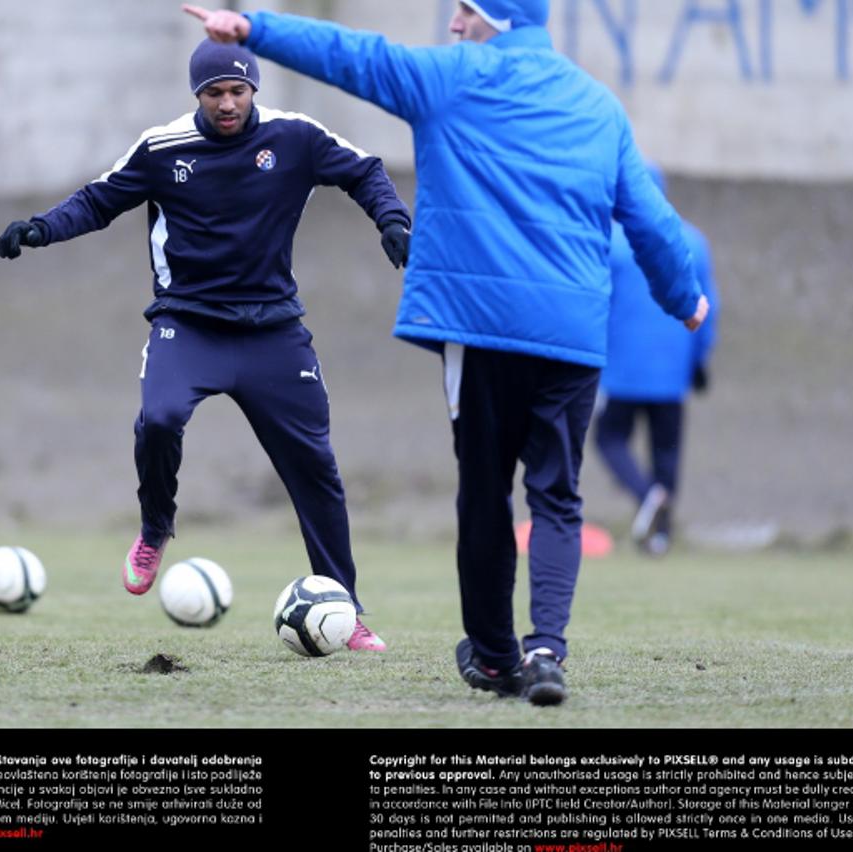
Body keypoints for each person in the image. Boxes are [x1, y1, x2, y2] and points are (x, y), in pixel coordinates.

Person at [186, 1, 709, 703]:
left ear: (495, 16)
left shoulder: (450, 78)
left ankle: (496, 659)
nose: (455, 22)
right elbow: (648, 216)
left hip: (482, 326)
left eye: (466, 8)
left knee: (487, 490)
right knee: (556, 494)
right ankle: (547, 648)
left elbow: (353, 57)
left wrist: (253, 30)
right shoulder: (598, 104)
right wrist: (685, 297)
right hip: (573, 333)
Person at [0, 39, 413, 652]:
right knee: (160, 419)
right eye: (214, 93)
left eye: (237, 91)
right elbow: (97, 200)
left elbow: (364, 170)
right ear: (197, 95)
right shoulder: (164, 148)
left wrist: (393, 220)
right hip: (188, 325)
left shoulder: (294, 136)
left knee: (315, 468)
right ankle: (155, 528)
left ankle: (346, 611)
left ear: (254, 89)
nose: (227, 103)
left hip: (273, 331)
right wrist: (39, 229)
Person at [595, 163, 719, 557]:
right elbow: (708, 307)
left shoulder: (611, 242)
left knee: (609, 437)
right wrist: (699, 359)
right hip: (672, 368)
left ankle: (647, 495)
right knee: (666, 451)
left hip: (623, 370)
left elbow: (597, 304)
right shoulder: (694, 241)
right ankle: (661, 537)